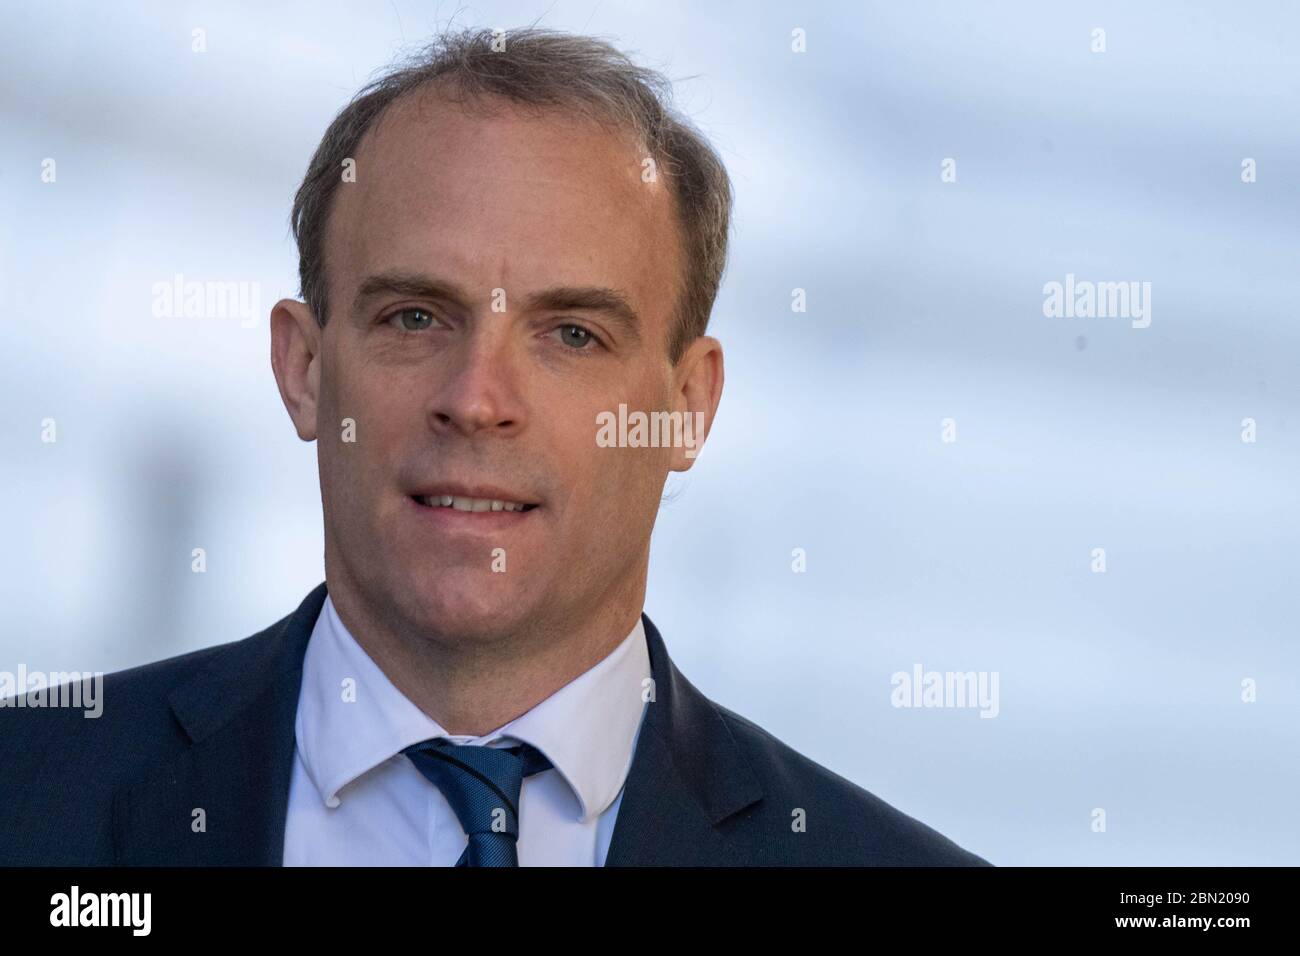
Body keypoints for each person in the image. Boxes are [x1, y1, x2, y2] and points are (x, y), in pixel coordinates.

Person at [0, 27, 989, 867]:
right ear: (303, 368)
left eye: (571, 334)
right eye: (416, 316)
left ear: (687, 407)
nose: (477, 400)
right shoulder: (26, 795)